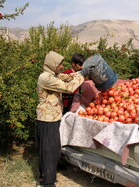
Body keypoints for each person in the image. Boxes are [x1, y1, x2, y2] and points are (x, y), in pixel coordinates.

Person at [36, 51, 94, 187]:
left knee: (54, 149)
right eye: (59, 64)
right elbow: (69, 87)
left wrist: (81, 72)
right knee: (48, 151)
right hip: (46, 119)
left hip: (54, 117)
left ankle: (47, 178)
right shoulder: (45, 78)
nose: (62, 67)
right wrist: (82, 75)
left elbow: (68, 77)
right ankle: (47, 182)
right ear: (52, 64)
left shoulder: (53, 74)